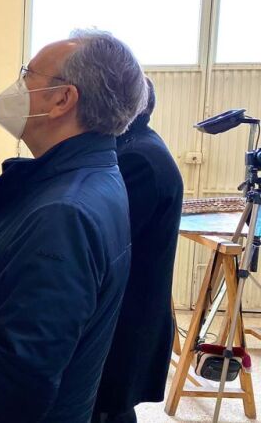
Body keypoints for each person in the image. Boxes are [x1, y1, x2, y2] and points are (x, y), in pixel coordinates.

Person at [0, 30, 147, 422]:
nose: (17, 87)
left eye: (28, 75)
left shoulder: (64, 212)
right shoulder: (85, 178)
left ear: (62, 100)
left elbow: (14, 376)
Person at [92, 79, 183, 423]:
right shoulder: (136, 146)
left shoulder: (137, 158)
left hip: (126, 317)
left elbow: (107, 243)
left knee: (106, 407)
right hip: (126, 312)